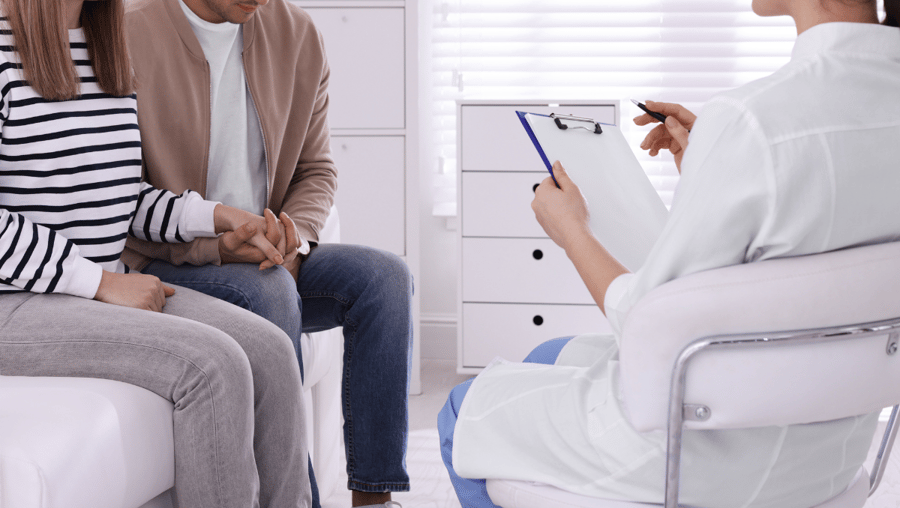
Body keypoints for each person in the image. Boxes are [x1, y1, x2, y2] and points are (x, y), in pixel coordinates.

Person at [438, 0, 900, 507]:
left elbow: (647, 327)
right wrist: (716, 170)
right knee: (545, 357)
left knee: (464, 411)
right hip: (830, 453)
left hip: (698, 450)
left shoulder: (753, 119)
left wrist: (573, 233)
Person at [0, 0, 314, 506]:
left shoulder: (104, 48)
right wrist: (99, 283)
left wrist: (216, 218)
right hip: (16, 303)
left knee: (272, 351)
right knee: (213, 367)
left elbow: (120, 197)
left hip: (92, 291)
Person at [123, 0, 414, 507]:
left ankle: (374, 497)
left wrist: (294, 235)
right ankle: (295, 499)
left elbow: (316, 170)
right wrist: (215, 245)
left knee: (386, 279)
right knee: (269, 291)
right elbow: (121, 200)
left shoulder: (297, 33)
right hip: (171, 259)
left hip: (267, 254)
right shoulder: (130, 30)